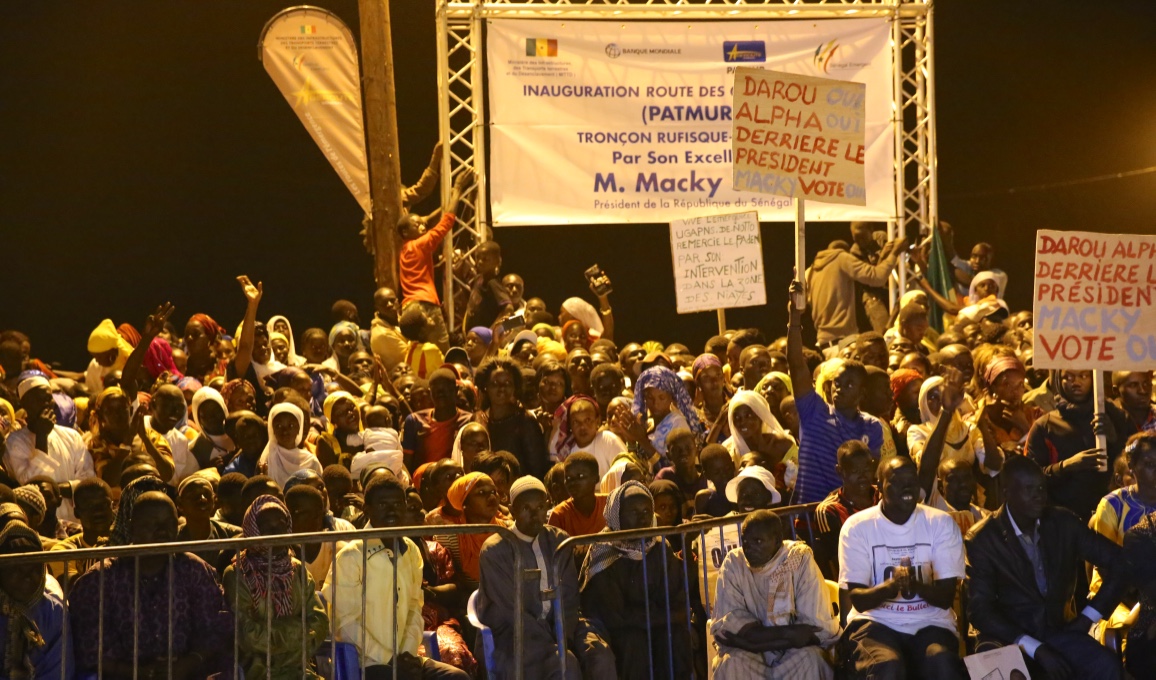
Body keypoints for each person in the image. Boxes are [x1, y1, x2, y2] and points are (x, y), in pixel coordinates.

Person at [966, 456, 1123, 680]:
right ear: (1006, 493)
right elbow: (980, 611)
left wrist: (1088, 617)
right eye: (1029, 489)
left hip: (1059, 631)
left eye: (1041, 487)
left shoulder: (1063, 522)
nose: (1038, 495)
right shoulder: (982, 538)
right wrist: (1035, 648)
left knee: (1106, 666)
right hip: (1009, 637)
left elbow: (1120, 563)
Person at [69, 484, 234, 678]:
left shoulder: (194, 570)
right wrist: (137, 673)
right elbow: (89, 648)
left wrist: (187, 664)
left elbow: (216, 630)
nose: (163, 531)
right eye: (152, 524)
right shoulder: (99, 580)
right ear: (132, 528)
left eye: (169, 524)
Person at [324, 475, 470, 679]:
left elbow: (414, 607)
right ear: (367, 510)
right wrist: (389, 659)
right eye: (383, 504)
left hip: (406, 657)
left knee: (456, 677)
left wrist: (406, 654)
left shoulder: (411, 550)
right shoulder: (350, 555)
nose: (391, 510)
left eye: (397, 504)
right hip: (366, 662)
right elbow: (345, 623)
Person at [838, 457, 967, 680]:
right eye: (897, 482)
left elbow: (945, 598)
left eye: (912, 482)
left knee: (942, 662)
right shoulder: (857, 527)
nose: (907, 488)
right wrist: (892, 587)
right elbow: (858, 599)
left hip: (931, 622)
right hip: (875, 623)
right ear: (879, 486)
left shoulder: (940, 523)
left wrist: (914, 584)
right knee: (887, 665)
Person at [479, 476, 614, 680]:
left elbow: (569, 596)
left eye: (540, 507)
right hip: (516, 632)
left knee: (599, 655)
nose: (535, 515)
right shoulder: (495, 549)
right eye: (526, 508)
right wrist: (553, 643)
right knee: (564, 665)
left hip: (562, 626)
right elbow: (511, 610)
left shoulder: (559, 540)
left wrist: (563, 635)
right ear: (512, 509)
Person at [579, 481, 691, 678]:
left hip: (649, 623)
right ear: (617, 515)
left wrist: (665, 617)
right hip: (613, 628)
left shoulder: (660, 548)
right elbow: (615, 615)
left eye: (647, 510)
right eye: (634, 511)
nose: (643, 517)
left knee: (675, 638)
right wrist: (661, 617)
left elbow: (677, 601)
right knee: (634, 642)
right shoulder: (603, 552)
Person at [710, 509, 838, 679]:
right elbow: (730, 629)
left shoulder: (799, 558)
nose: (749, 548)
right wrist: (788, 634)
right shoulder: (733, 562)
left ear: (777, 541)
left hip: (792, 653)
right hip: (751, 653)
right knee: (732, 662)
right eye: (745, 541)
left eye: (758, 541)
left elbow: (811, 632)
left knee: (811, 658)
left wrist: (751, 641)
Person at [787, 281, 884, 504]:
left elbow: (867, 479)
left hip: (849, 516)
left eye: (849, 384)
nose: (838, 387)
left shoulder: (872, 427)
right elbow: (796, 364)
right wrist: (794, 318)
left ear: (862, 394)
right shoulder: (814, 410)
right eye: (836, 382)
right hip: (809, 517)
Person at [223, 494, 329, 679]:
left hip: (300, 671)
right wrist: (298, 631)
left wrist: (275, 638)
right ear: (253, 529)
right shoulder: (237, 574)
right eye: (267, 526)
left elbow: (319, 624)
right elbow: (248, 636)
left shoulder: (298, 570)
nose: (276, 531)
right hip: (257, 673)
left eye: (281, 523)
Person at [1026, 369, 1128, 521]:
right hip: (1064, 520)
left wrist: (1114, 439)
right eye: (1068, 377)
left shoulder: (1115, 417)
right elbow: (1031, 478)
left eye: (1083, 375)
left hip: (1113, 516)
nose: (1076, 382)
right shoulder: (1045, 426)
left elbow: (1136, 462)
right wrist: (1067, 466)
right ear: (1057, 381)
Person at [399, 168, 474, 353]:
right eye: (417, 224)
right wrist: (457, 188)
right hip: (424, 306)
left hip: (409, 308)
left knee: (419, 354)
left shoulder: (405, 250)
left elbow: (432, 220)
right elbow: (446, 222)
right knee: (442, 354)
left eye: (423, 223)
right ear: (406, 232)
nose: (423, 226)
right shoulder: (420, 244)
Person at [4, 376, 94, 520]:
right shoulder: (14, 442)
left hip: (76, 523)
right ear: (25, 405)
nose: (46, 404)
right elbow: (31, 485)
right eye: (39, 400)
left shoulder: (72, 436)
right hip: (40, 526)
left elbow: (88, 481)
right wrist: (41, 437)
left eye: (48, 398)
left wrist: (53, 490)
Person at [0, 520, 74, 679]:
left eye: (34, 568)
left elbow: (60, 669)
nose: (26, 577)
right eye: (16, 568)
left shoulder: (54, 611)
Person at [805, 235, 905, 349]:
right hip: (844, 343)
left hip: (824, 345)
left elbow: (798, 306)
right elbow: (877, 277)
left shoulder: (810, 272)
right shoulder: (842, 258)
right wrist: (894, 253)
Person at [813, 440, 879, 581]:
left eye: (867, 470)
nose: (862, 476)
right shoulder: (829, 510)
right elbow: (838, 560)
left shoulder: (885, 496)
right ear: (840, 471)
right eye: (855, 471)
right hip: (855, 578)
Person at [473, 358, 549, 478]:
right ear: (485, 387)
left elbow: (538, 469)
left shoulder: (525, 421)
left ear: (515, 387)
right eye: (495, 384)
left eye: (507, 383)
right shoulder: (479, 419)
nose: (501, 388)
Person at [622, 365, 704, 471]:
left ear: (671, 397)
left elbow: (675, 469)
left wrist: (642, 440)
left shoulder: (678, 424)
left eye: (662, 398)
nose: (656, 404)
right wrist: (631, 440)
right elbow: (641, 465)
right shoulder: (648, 424)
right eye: (650, 398)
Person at [724, 391, 796, 493]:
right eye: (736, 417)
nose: (742, 422)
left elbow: (800, 476)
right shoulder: (729, 451)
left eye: (748, 415)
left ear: (761, 416)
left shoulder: (782, 444)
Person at [402, 368, 473, 471]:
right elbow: (406, 465)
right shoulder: (415, 421)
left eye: (446, 389)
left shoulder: (468, 421)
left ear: (456, 390)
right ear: (430, 392)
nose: (441, 394)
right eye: (436, 390)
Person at [47, 477, 113, 582]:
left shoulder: (127, 542)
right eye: (90, 506)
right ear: (76, 513)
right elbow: (75, 590)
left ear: (112, 506)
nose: (98, 512)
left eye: (104, 504)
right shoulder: (63, 550)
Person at [175, 474, 242, 573]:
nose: (202, 499)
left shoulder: (233, 534)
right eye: (194, 496)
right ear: (180, 504)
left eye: (206, 494)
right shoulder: (173, 538)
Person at [550, 395, 625, 477]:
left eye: (588, 420)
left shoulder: (608, 440)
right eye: (576, 422)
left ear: (597, 421)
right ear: (570, 426)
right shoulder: (567, 453)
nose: (582, 427)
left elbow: (626, 476)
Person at [259, 402, 322, 488]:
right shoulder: (267, 460)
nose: (285, 431)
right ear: (272, 429)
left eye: (291, 426)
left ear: (299, 428)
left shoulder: (311, 462)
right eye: (279, 426)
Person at [548, 452, 607, 537]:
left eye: (580, 476)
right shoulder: (559, 515)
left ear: (596, 478)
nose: (573, 483)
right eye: (568, 478)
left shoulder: (609, 504)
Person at [462, 241, 514, 334]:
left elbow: (509, 309)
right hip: (472, 338)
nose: (480, 262)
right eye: (477, 258)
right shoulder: (478, 279)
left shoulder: (492, 283)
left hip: (484, 341)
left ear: (497, 262)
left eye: (485, 259)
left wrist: (491, 332)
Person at [654, 428, 708, 509]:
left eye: (688, 448)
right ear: (668, 455)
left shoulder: (707, 476)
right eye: (676, 449)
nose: (683, 453)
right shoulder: (665, 478)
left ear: (697, 450)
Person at [370, 287, 408, 371]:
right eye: (384, 303)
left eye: (392, 300)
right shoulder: (382, 334)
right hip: (401, 377)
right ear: (377, 308)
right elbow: (410, 357)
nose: (390, 304)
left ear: (397, 301)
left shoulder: (397, 318)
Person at [694, 443, 737, 518]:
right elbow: (698, 526)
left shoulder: (741, 492)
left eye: (727, 469)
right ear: (706, 475)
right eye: (717, 473)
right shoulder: (704, 498)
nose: (724, 475)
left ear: (733, 466)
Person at [1115, 370, 1156, 435]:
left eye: (1147, 384)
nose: (1143, 391)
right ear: (1116, 391)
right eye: (1133, 385)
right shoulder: (1109, 420)